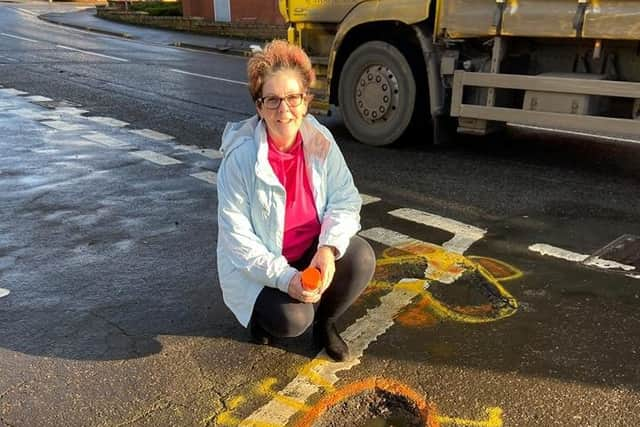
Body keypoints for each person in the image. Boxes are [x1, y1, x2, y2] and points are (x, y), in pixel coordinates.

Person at [216, 40, 376, 362]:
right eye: (272, 100)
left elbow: (345, 198)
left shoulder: (319, 141)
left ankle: (326, 322)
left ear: (306, 102)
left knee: (361, 258)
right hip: (261, 265)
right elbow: (238, 241)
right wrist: (287, 279)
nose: (284, 110)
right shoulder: (241, 160)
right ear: (259, 107)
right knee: (291, 322)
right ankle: (261, 317)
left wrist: (327, 250)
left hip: (309, 252)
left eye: (292, 98)